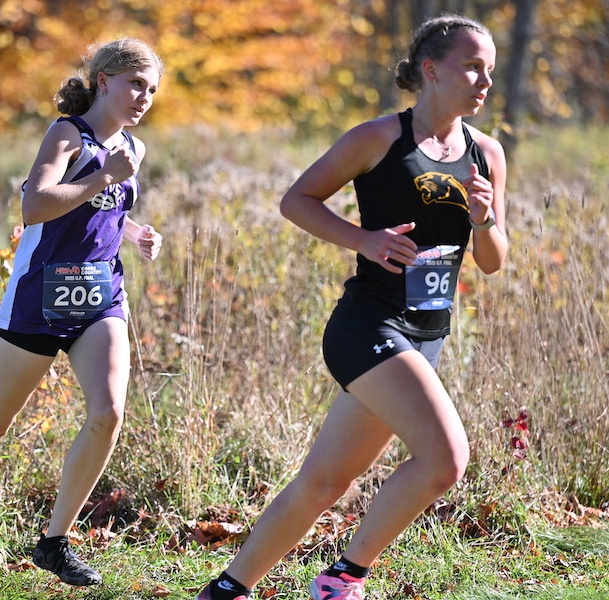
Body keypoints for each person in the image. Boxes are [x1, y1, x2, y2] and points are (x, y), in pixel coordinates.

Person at [195, 15, 508, 600]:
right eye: (472, 66)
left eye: (489, 69)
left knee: (324, 481)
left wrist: (484, 219)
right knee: (444, 459)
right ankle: (344, 579)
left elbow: (492, 260)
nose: (484, 80)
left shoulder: (486, 154)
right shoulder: (377, 139)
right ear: (431, 71)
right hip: (368, 325)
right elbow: (297, 200)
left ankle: (227, 589)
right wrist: (364, 240)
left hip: (426, 334)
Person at [0, 37, 164, 587]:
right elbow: (36, 205)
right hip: (41, 296)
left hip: (100, 296)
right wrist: (102, 176)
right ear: (104, 80)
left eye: (153, 89)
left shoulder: (132, 150)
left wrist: (136, 233)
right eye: (136, 83)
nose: (144, 97)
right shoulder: (68, 134)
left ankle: (54, 541)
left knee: (108, 412)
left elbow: (102, 210)